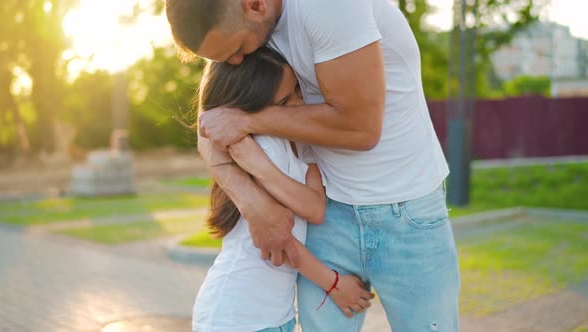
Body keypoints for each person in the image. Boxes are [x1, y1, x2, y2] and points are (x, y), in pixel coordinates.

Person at [166, 0, 461, 330]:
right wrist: (254, 205)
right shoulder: (239, 27)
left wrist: (247, 119)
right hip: (325, 215)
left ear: (255, 5)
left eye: (236, 49)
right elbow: (213, 124)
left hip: (406, 211)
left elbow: (362, 129)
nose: (237, 62)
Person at [191, 46, 374, 332]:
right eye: (286, 100)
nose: (300, 104)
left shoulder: (296, 146)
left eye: (298, 92)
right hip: (237, 317)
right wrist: (334, 284)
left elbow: (315, 209)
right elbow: (281, 241)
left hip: (274, 317)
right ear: (253, 105)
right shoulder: (265, 144)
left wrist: (263, 169)